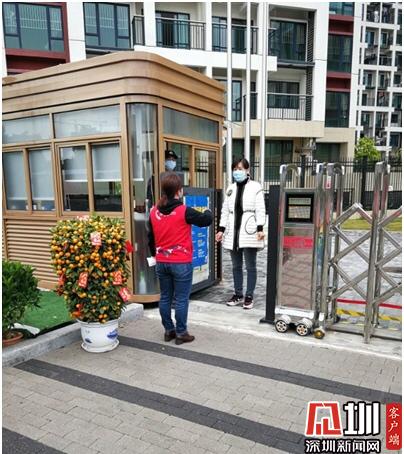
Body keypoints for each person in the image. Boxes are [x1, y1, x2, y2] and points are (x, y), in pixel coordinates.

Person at [148, 173, 212, 344]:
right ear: (178, 191)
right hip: (181, 262)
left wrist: (155, 255)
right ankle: (181, 333)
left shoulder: (154, 211)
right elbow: (206, 220)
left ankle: (169, 330)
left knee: (165, 297)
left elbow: (150, 238)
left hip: (161, 262)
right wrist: (208, 210)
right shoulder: (184, 211)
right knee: (181, 299)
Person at [216, 158, 266, 309]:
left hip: (249, 230)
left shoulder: (255, 187)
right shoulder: (230, 188)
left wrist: (260, 228)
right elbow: (225, 211)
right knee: (236, 266)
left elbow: (260, 209)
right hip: (233, 233)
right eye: (235, 169)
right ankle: (238, 294)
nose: (237, 172)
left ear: (247, 170)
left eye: (240, 169)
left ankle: (249, 295)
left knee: (250, 266)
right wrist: (221, 229)